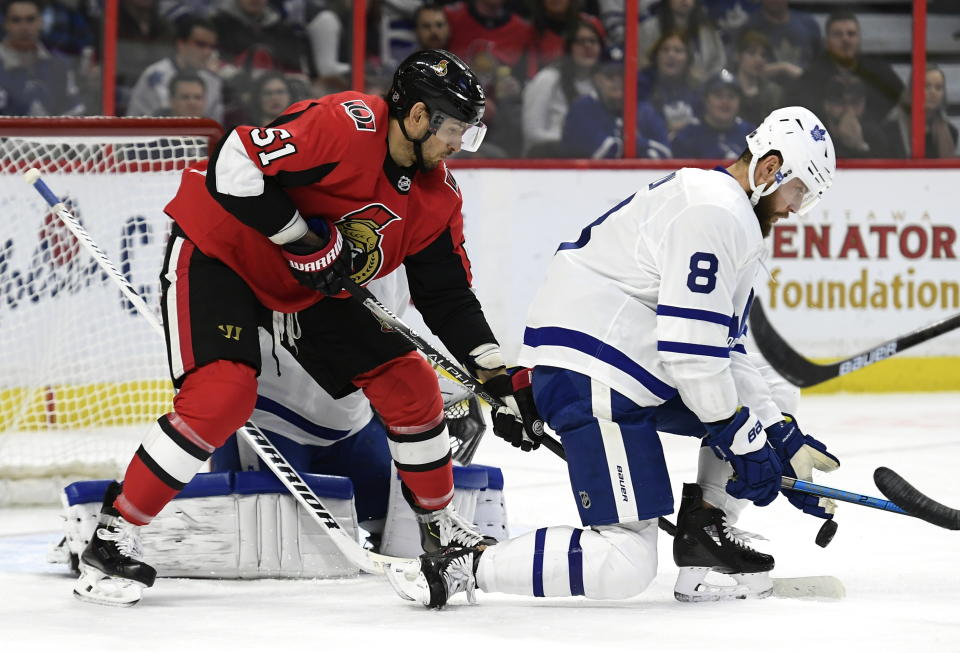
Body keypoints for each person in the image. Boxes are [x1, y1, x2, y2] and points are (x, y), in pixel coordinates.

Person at [73, 49, 540, 607]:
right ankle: (113, 534)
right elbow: (232, 164)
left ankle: (441, 536)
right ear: (417, 117)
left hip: (310, 285)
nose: (459, 144)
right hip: (225, 254)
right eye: (456, 129)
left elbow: (447, 296)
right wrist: (303, 240)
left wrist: (493, 372)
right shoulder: (346, 125)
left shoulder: (437, 197)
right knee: (221, 397)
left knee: (410, 384)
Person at [393, 106, 842, 608]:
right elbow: (693, 358)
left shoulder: (729, 215)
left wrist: (780, 438)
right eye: (798, 192)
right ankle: (464, 564)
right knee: (625, 559)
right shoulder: (715, 212)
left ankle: (703, 540)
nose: (794, 209)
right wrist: (746, 442)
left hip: (621, 361)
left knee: (773, 399)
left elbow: (723, 351)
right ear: (769, 169)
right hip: (597, 369)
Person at [787, 9, 903, 126]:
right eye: (838, 34)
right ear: (827, 42)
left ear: (859, 39)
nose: (845, 39)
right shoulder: (812, 77)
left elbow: (903, 101)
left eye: (851, 34)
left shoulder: (878, 72)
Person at [522, 19, 603, 156]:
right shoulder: (547, 79)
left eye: (593, 41)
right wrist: (574, 143)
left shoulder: (601, 84)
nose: (588, 46)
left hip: (593, 160)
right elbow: (532, 133)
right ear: (568, 48)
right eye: (580, 41)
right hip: (548, 160)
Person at [561, 59, 671, 159]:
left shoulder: (643, 109)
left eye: (622, 75)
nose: (617, 81)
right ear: (597, 79)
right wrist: (640, 145)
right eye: (610, 75)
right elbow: (605, 153)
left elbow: (665, 153)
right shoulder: (582, 108)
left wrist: (631, 143)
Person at [127, 16, 224, 122]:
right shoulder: (154, 74)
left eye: (211, 47)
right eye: (200, 44)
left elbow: (216, 125)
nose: (207, 52)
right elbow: (137, 121)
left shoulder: (213, 80)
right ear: (181, 44)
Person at [0, 0, 84, 116]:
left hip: (52, 133)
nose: (24, 27)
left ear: (40, 22)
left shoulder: (59, 65)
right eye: (16, 20)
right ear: (6, 24)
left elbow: (74, 113)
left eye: (30, 19)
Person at [671, 69, 755, 158]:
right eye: (718, 96)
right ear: (706, 100)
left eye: (731, 96)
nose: (725, 102)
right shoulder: (687, 136)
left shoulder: (752, 135)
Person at [637, 0, 726, 83]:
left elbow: (719, 63)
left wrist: (703, 80)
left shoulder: (708, 31)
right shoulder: (648, 29)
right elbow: (641, 62)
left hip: (701, 93)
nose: (684, 0)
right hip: (654, 90)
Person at [820, 75, 903, 159]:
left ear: (864, 104)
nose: (849, 110)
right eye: (840, 102)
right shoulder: (816, 136)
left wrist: (860, 146)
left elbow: (885, 169)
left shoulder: (876, 136)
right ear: (826, 105)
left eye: (855, 103)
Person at [637, 30, 701, 140]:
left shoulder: (697, 88)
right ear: (656, 56)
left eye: (678, 51)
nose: (671, 55)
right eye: (665, 50)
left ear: (688, 58)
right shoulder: (641, 84)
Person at [740, 0, 821, 83]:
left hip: (807, 87)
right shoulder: (749, 28)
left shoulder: (809, 25)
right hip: (766, 90)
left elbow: (820, 65)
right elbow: (743, 68)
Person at [893, 64, 958, 158]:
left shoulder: (951, 131)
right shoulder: (893, 127)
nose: (933, 92)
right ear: (912, 89)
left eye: (938, 88)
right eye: (926, 86)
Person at [732, 29, 783, 126]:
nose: (758, 60)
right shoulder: (726, 88)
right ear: (738, 56)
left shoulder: (773, 92)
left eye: (763, 55)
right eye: (752, 53)